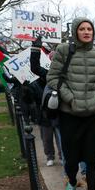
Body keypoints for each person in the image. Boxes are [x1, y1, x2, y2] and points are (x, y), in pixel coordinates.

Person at [47, 17, 95, 190]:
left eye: (89, 28)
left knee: (92, 160)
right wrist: (70, 98)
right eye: (82, 28)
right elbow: (53, 78)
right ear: (75, 31)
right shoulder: (64, 51)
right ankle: (71, 184)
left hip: (91, 115)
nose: (86, 31)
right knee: (71, 158)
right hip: (69, 115)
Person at [30, 36, 62, 167]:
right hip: (46, 114)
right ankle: (50, 156)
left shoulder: (67, 74)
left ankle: (62, 155)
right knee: (47, 138)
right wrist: (35, 49)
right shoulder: (47, 74)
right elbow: (35, 68)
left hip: (61, 113)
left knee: (62, 139)